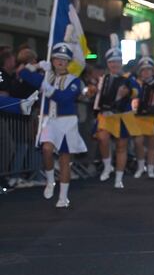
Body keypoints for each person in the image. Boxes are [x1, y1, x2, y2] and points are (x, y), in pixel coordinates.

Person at [19, 39, 86, 207]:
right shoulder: (46, 76)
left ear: (68, 62)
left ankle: (63, 197)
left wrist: (45, 86)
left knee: (64, 160)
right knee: (47, 149)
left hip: (67, 123)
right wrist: (35, 67)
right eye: (57, 58)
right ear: (53, 60)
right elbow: (23, 74)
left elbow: (63, 98)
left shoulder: (74, 81)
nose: (60, 62)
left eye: (64, 59)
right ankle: (50, 181)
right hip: (49, 121)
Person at [93, 34, 141, 189]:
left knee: (122, 146)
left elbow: (137, 91)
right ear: (108, 64)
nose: (115, 64)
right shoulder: (104, 78)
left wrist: (128, 92)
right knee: (102, 138)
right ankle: (107, 165)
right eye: (112, 62)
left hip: (123, 116)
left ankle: (119, 178)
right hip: (106, 116)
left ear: (122, 62)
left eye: (117, 61)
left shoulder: (129, 78)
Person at [132, 45, 154, 179]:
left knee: (151, 143)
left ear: (152, 71)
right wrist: (133, 100)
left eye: (148, 70)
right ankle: (141, 167)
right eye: (143, 70)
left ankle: (151, 169)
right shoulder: (135, 84)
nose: (146, 72)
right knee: (138, 142)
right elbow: (131, 96)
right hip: (138, 117)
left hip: (152, 117)